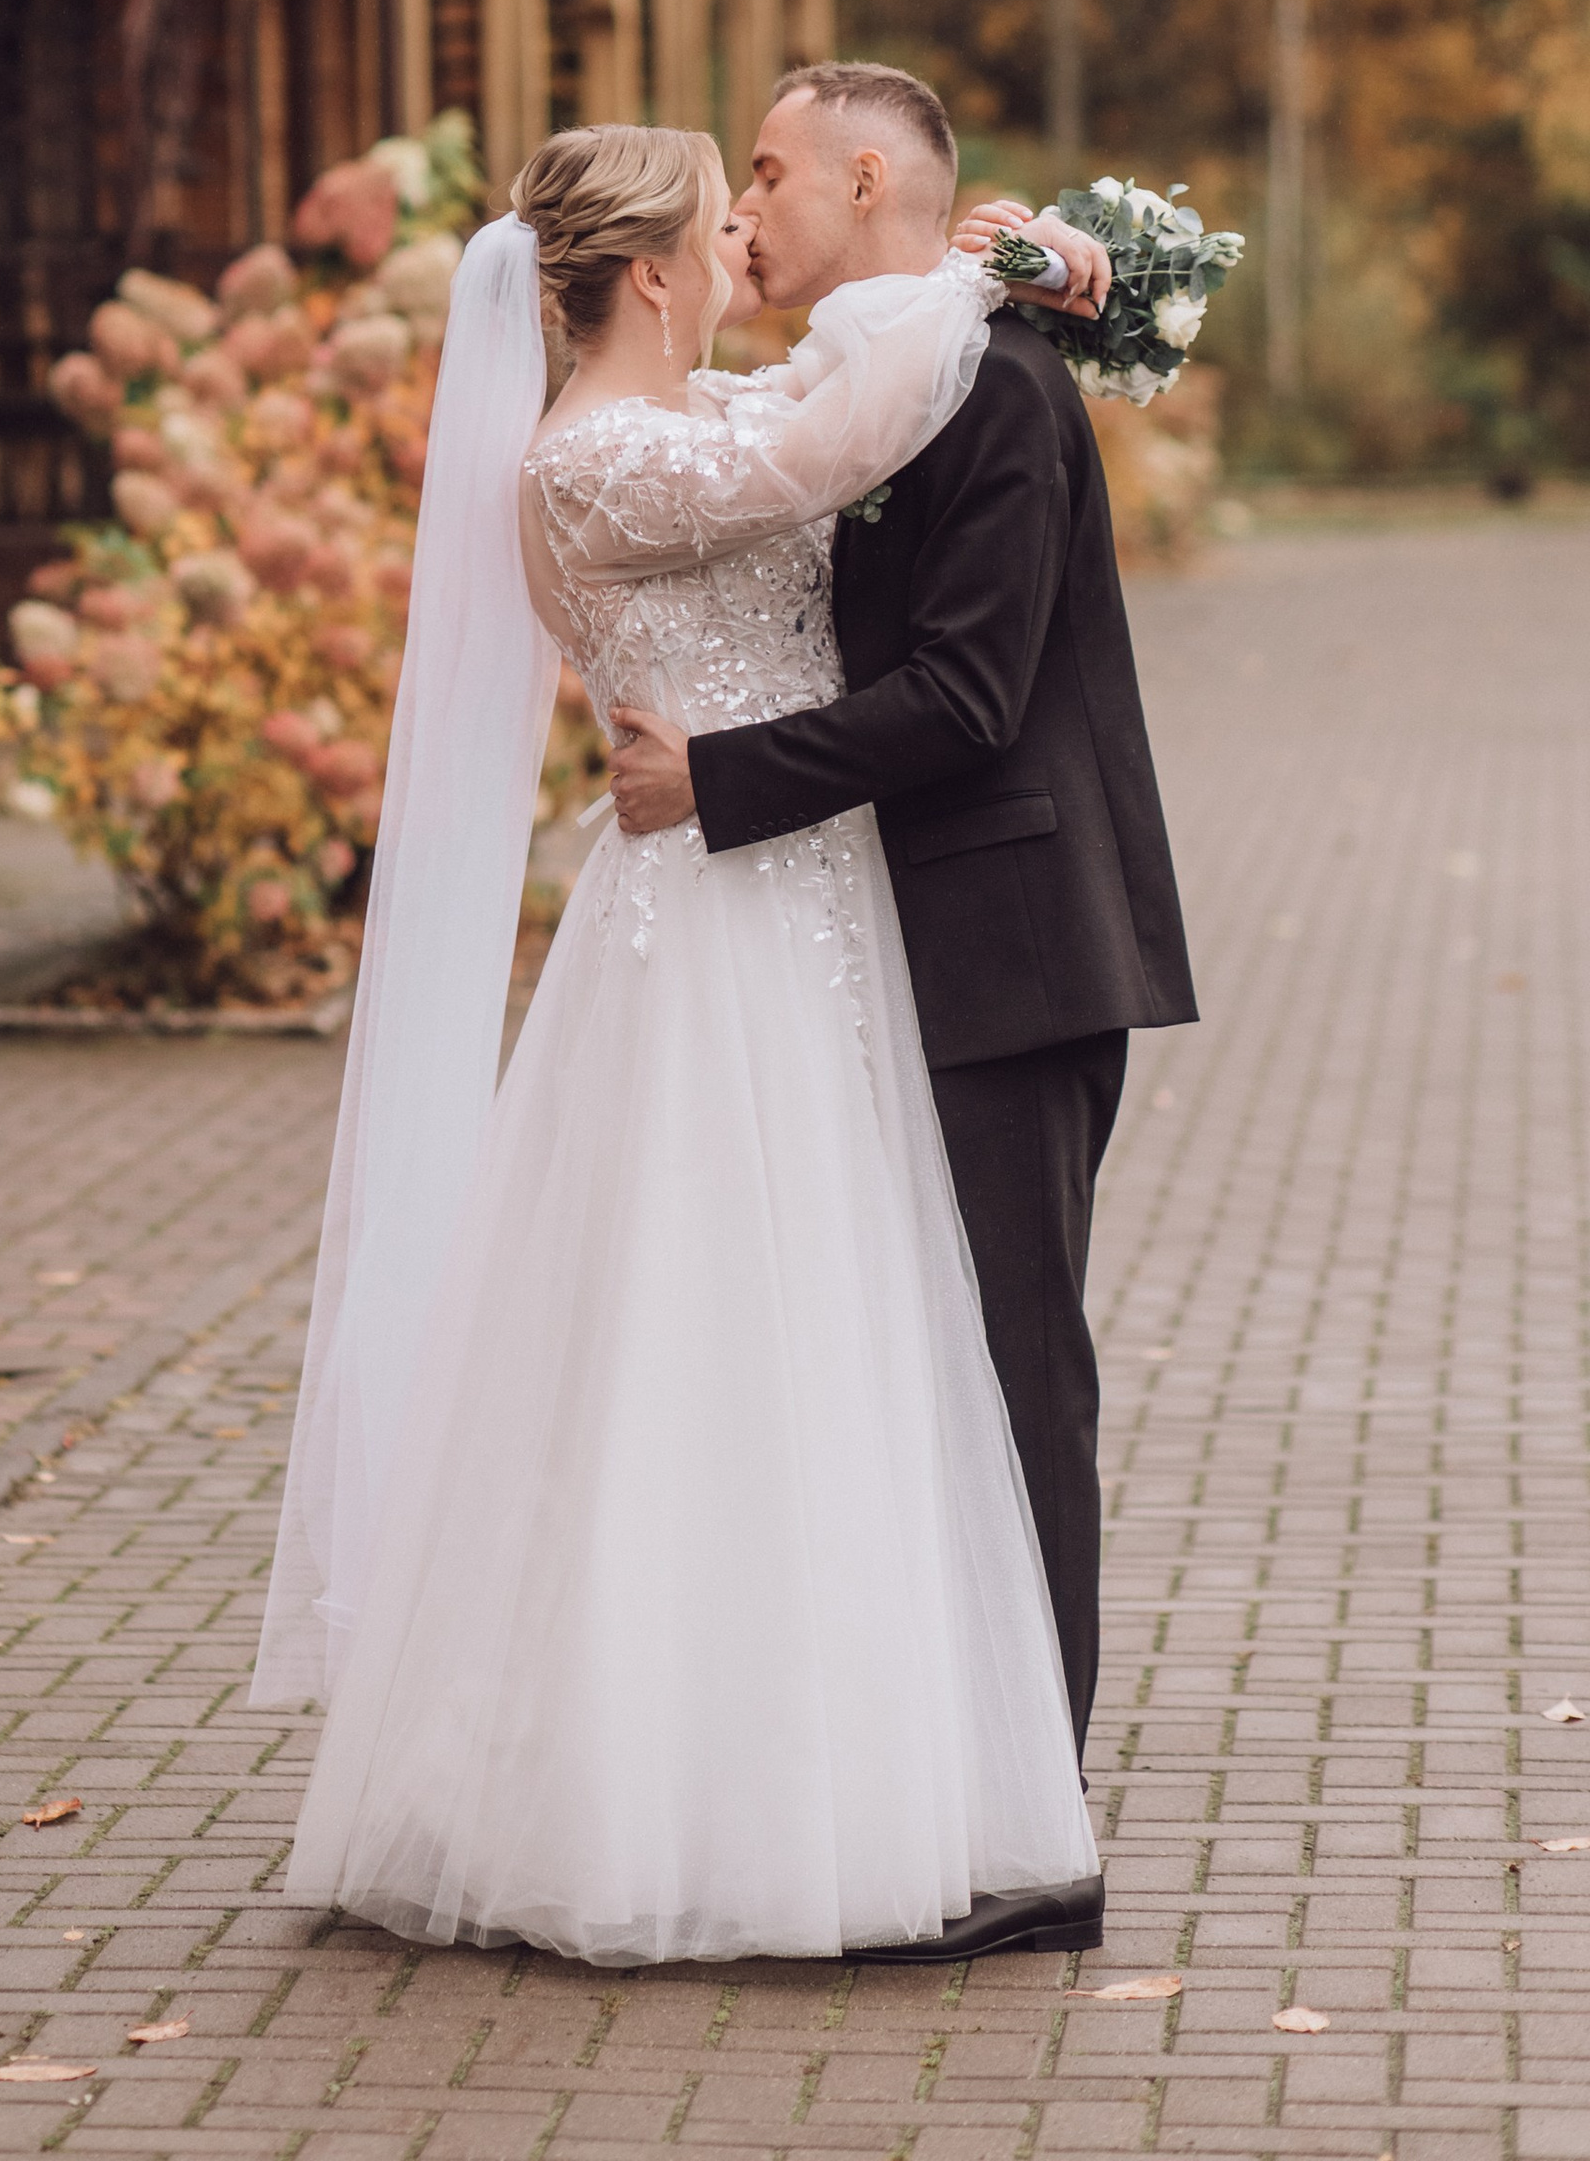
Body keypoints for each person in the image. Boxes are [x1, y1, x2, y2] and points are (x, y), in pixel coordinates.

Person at [253, 125, 1112, 1967]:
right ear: (645, 276)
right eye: (713, 211)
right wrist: (976, 277)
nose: (739, 234)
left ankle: (830, 1757)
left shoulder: (693, 418)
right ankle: (655, 1794)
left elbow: (814, 402)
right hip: (706, 931)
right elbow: (828, 444)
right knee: (688, 1328)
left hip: (801, 909)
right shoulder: (591, 459)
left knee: (828, 1337)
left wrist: (987, 253)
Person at [610, 62, 1198, 1832]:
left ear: (872, 182)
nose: (750, 207)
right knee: (932, 1378)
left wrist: (715, 779)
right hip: (901, 952)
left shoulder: (1002, 389)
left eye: (773, 171)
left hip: (1017, 951)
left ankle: (1040, 1834)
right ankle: (952, 1781)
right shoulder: (879, 382)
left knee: (1019, 1382)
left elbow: (965, 694)